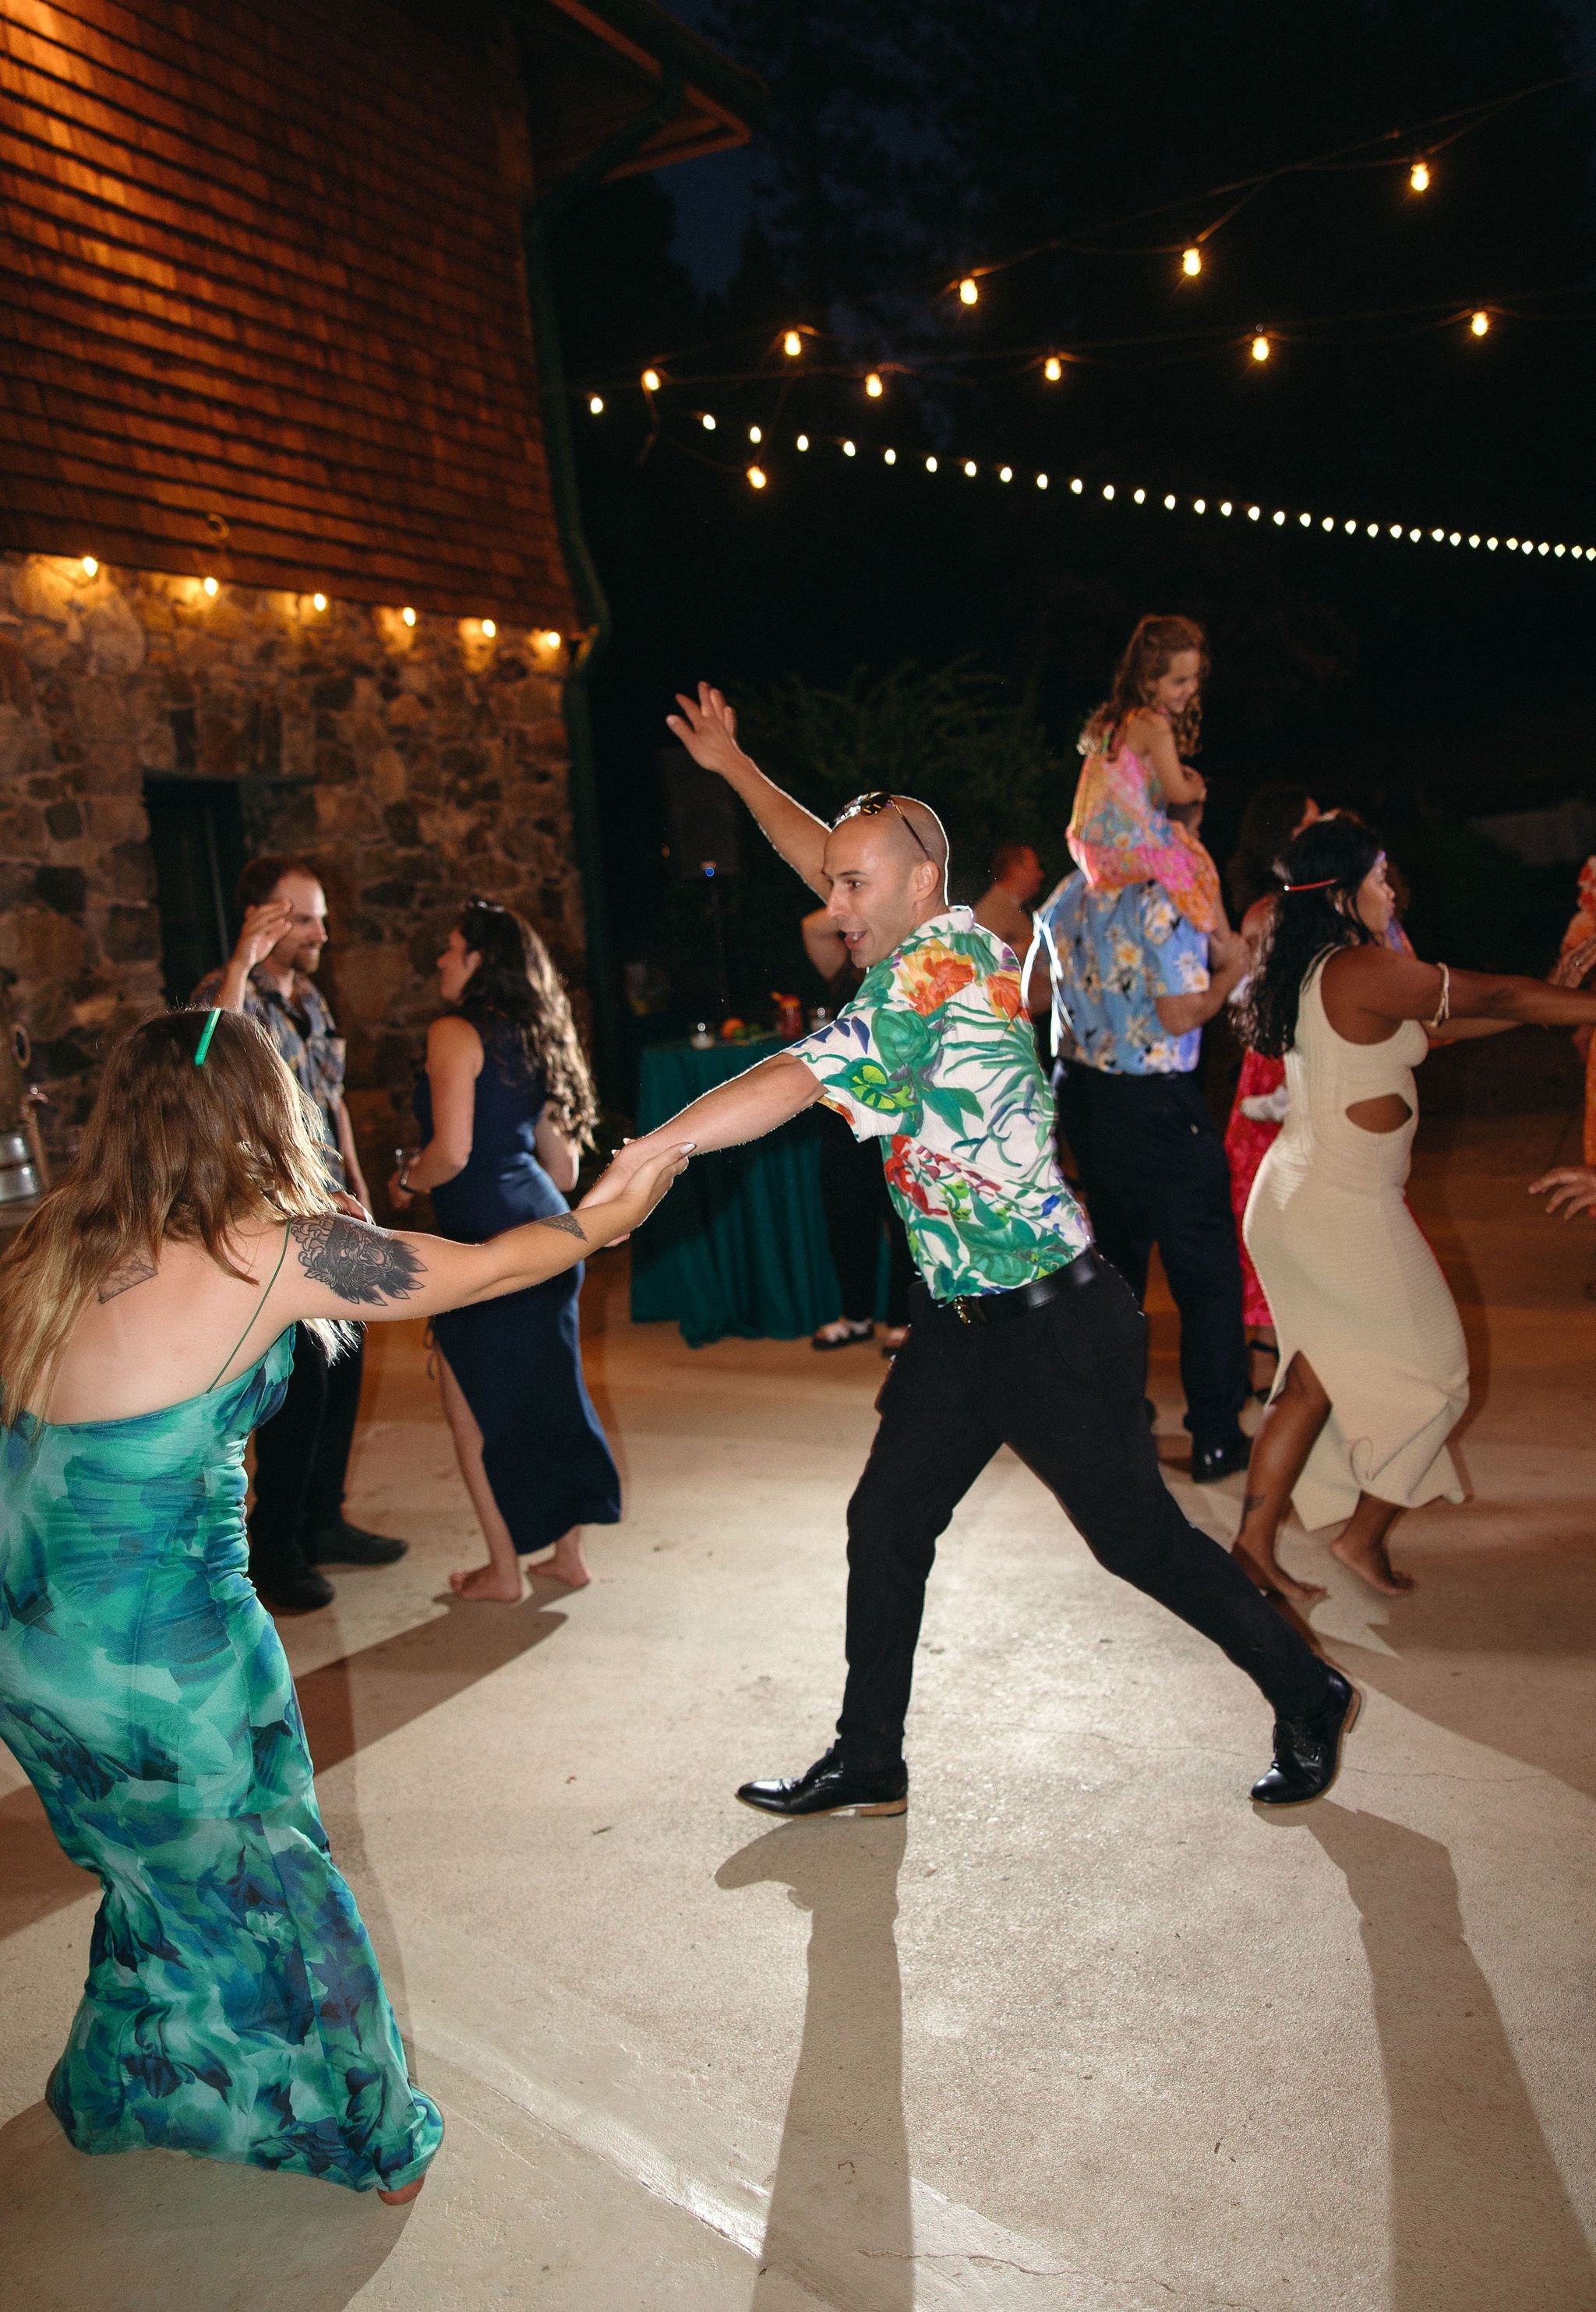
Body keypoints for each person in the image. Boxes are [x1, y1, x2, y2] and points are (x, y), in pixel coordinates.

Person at [605, 679, 1361, 1818]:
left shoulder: (931, 975)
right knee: (888, 1519)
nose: (835, 900)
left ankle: (1308, 1687)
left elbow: (793, 1074)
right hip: (961, 1322)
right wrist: (732, 766)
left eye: (855, 886)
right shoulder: (930, 931)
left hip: (1053, 1322)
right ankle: (871, 1755)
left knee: (1139, 1542)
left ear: (920, 883)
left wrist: (660, 1144)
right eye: (836, 882)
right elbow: (827, 847)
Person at [0, 1005, 686, 2199]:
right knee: (277, 1874)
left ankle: (126, 2086)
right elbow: (479, 1267)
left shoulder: (52, 1242)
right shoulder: (269, 1244)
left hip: (32, 1653)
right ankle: (371, 2132)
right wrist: (601, 1219)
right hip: (171, 1657)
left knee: (156, 1871)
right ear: (267, 1114)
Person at [1232, 814, 1596, 1604]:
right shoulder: (1359, 966)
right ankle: (1357, 1534)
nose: (1390, 888)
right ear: (1338, 889)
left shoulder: (1319, 965)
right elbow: (1492, 989)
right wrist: (1564, 1006)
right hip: (1339, 1205)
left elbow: (1448, 1027)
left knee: (1309, 1381)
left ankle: (1252, 1550)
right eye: (1378, 875)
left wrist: (1560, 1000)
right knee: (1439, 1379)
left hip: (1300, 1194)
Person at [390, 900, 618, 1599]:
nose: (442, 961)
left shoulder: (453, 1031)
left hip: (480, 1244)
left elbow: (452, 1152)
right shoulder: (534, 1033)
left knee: (471, 1413)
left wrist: (405, 1179)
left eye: (453, 949)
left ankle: (502, 1570)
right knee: (553, 1395)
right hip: (548, 1234)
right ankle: (568, 1556)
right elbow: (565, 1173)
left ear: (482, 960)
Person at [196, 856, 404, 1613]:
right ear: (267, 918)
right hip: (268, 1217)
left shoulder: (310, 998)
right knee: (300, 1383)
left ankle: (323, 1521)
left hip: (330, 1207)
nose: (325, 931)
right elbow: (203, 1062)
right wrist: (239, 962)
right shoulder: (225, 996)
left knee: (344, 1362)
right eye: (309, 918)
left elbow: (331, 1099)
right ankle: (273, 1548)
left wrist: (361, 1183)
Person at [1037, 796, 1255, 1482]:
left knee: (1119, 1274)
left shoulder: (1071, 890)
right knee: (1207, 1279)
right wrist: (1230, 975)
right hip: (1156, 1101)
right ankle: (1217, 1434)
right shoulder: (1163, 895)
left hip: (1087, 1098)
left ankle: (1121, 1424)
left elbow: (1036, 993)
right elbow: (1177, 1008)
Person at [1222, 786, 1322, 1403]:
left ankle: (1290, 1368)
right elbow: (1244, 1008)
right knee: (1261, 1221)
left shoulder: (1301, 912)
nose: (1323, 823)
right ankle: (1272, 1373)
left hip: (1285, 1075)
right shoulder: (1270, 915)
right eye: (1311, 818)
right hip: (1276, 1077)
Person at [1066, 614, 1226, 934]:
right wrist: (1196, 788)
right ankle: (1222, 941)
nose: (1191, 689)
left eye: (1195, 679)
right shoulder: (1153, 725)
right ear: (1148, 680)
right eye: (1179, 682)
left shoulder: (1116, 720)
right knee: (1192, 857)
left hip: (1092, 846)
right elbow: (1179, 792)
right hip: (1126, 849)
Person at [800, 905, 913, 1354]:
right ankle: (857, 1315)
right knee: (847, 1214)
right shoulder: (843, 964)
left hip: (899, 1110)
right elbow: (813, 926)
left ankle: (905, 1318)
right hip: (844, 1110)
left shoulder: (911, 960)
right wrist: (860, 906)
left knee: (903, 1215)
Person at [973, 842, 1044, 957]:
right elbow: (984, 957)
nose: (1040, 874)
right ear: (1016, 870)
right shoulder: (992, 909)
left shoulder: (1016, 905)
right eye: (1035, 867)